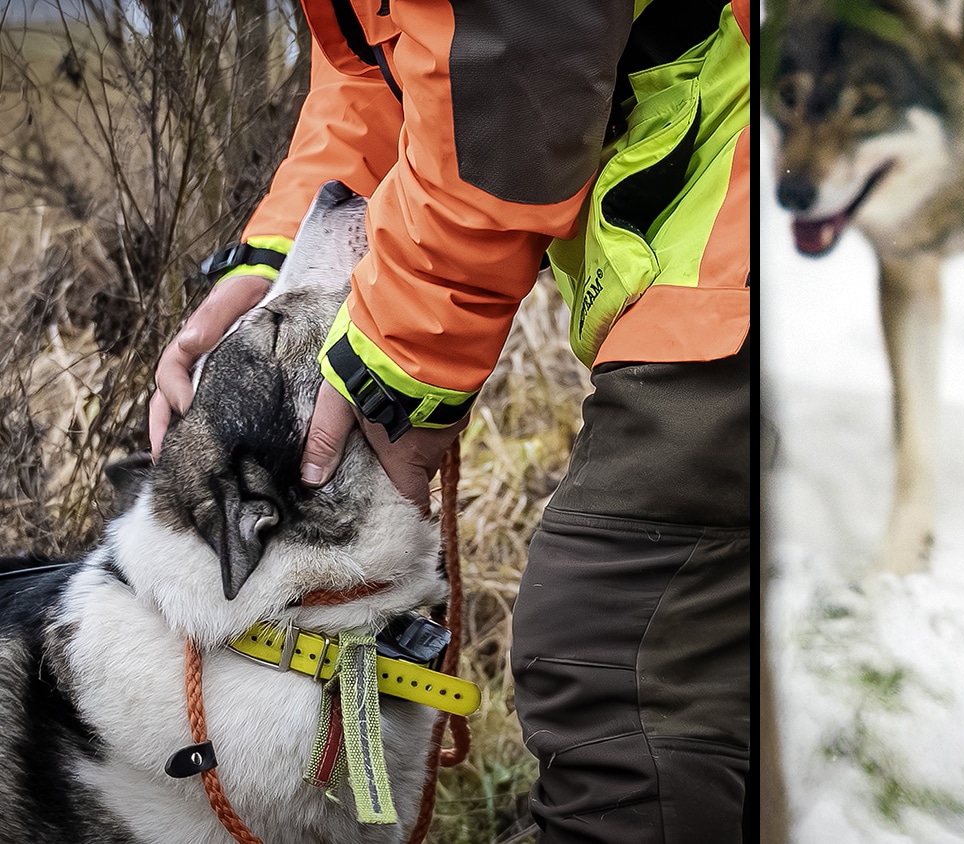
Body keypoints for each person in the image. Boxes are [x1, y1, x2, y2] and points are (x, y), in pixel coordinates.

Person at [149, 0, 751, 841]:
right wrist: (273, 261)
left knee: (609, 653)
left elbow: (521, 42)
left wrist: (404, 359)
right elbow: (381, 70)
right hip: (709, 220)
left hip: (739, 210)